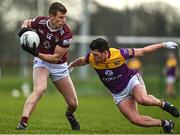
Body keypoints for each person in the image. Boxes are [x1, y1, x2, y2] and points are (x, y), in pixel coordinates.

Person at [68, 38, 180, 134]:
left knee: (143, 100)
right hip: (118, 93)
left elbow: (144, 51)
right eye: (92, 53)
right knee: (135, 119)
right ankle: (166, 124)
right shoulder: (91, 57)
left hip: (131, 81)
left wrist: (163, 44)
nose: (93, 56)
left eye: (96, 54)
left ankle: (163, 104)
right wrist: (71, 65)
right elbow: (82, 60)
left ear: (105, 52)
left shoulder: (120, 53)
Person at [16, 2, 80, 130]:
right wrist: (24, 29)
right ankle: (23, 122)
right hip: (41, 62)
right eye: (60, 17)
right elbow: (27, 22)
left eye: (65, 17)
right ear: (51, 16)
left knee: (73, 104)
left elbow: (56, 58)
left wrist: (36, 53)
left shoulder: (66, 33)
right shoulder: (40, 21)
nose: (63, 21)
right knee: (40, 89)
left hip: (59, 65)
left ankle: (70, 115)